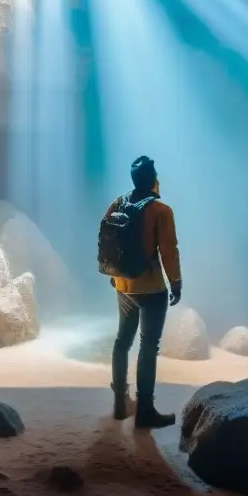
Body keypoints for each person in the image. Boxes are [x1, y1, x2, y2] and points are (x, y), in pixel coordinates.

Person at [103, 156, 182, 429]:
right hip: (150, 288)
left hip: (123, 286)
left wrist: (115, 275)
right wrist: (176, 282)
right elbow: (169, 251)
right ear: (152, 179)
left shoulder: (118, 202)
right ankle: (145, 410)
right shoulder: (161, 210)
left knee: (122, 340)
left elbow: (108, 242)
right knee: (148, 346)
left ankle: (119, 403)